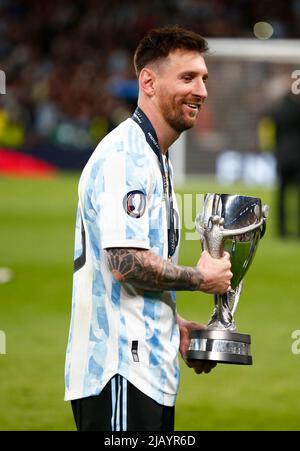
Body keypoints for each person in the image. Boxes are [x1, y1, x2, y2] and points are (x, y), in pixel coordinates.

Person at [64, 26, 232, 432]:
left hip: (144, 369)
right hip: (119, 372)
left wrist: (172, 326)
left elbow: (125, 277)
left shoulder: (153, 156)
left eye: (204, 79)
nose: (201, 90)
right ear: (149, 82)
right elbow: (125, 263)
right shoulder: (128, 157)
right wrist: (201, 278)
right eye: (188, 78)